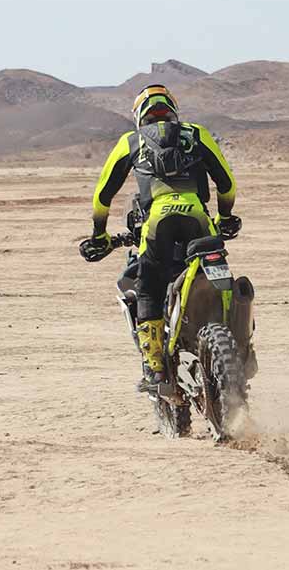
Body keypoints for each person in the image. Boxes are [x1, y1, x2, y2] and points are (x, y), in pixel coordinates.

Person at [79, 84, 241, 392]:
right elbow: (227, 184)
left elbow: (102, 196)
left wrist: (99, 235)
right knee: (219, 276)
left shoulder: (130, 141)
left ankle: (154, 366)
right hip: (199, 221)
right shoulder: (197, 133)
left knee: (149, 286)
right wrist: (227, 217)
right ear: (173, 109)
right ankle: (237, 342)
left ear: (140, 114)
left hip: (157, 223)